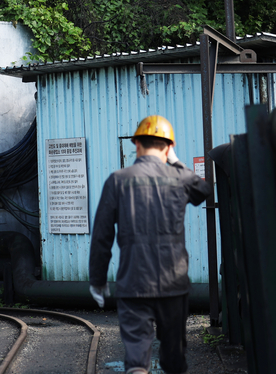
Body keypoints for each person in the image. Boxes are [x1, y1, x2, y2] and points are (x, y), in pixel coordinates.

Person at [89, 115, 211, 374]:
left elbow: (102, 235)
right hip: (174, 285)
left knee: (136, 358)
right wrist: (177, 162)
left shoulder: (118, 179)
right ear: (168, 147)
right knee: (174, 360)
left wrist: (98, 280)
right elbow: (203, 191)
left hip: (134, 283)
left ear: (137, 145)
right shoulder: (180, 178)